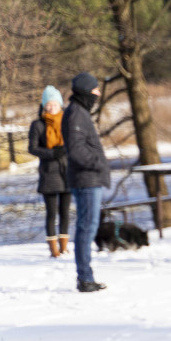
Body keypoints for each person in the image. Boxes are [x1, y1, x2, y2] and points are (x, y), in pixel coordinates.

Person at [62, 72, 109, 293]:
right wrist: (98, 162)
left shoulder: (79, 112)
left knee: (88, 228)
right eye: (95, 90)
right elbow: (76, 150)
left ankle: (86, 276)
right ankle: (85, 278)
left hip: (89, 178)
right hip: (86, 179)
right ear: (86, 91)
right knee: (86, 228)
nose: (98, 93)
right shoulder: (75, 114)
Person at [27, 85, 71, 258]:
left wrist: (66, 150)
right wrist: (52, 153)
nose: (52, 107)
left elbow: (75, 142)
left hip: (67, 173)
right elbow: (32, 148)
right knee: (52, 212)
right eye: (48, 104)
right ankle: (54, 249)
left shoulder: (68, 121)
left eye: (55, 104)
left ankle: (64, 247)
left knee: (66, 212)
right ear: (44, 106)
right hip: (49, 174)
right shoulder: (37, 125)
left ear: (60, 104)